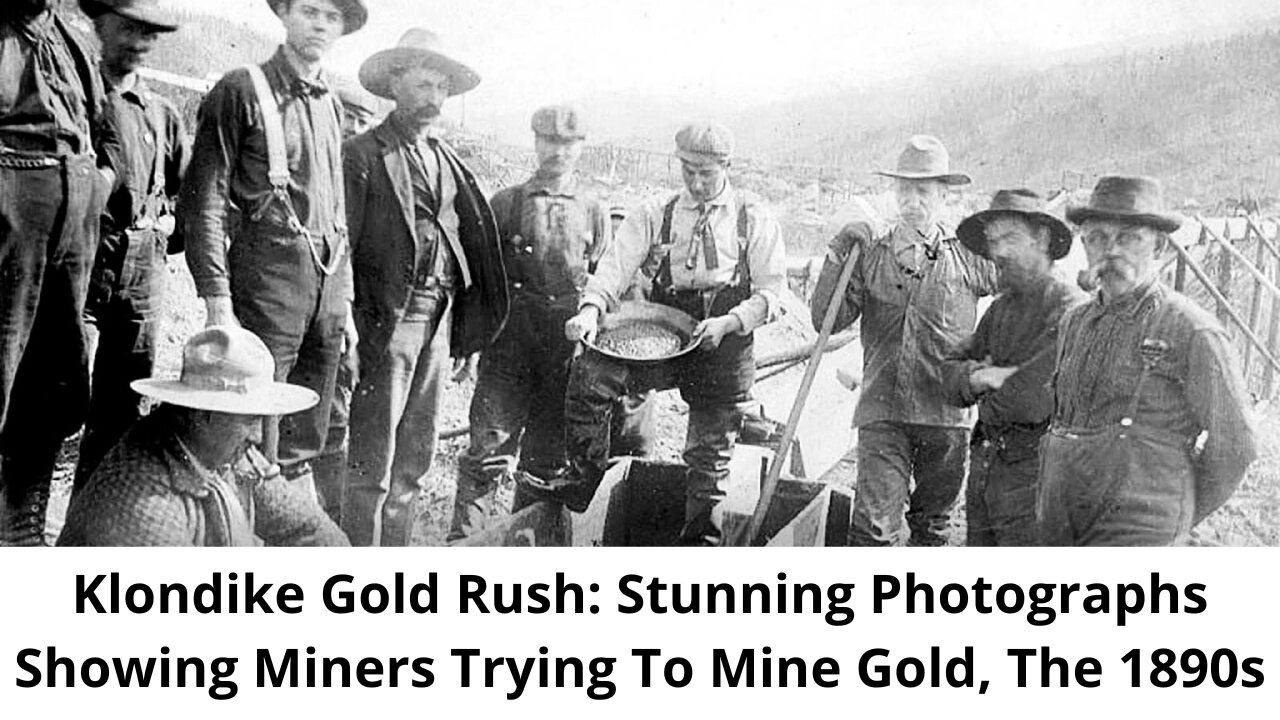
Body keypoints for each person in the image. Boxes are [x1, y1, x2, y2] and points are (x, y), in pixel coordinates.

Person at [541, 121, 788, 546]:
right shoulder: (657, 211)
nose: (695, 180)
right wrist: (589, 311)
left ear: (726, 166)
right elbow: (614, 267)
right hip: (668, 333)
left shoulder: (754, 218)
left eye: (705, 172)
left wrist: (730, 322)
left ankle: (699, 548)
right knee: (591, 375)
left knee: (708, 458)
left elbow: (773, 293)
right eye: (687, 169)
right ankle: (584, 477)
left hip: (724, 338)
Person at [178, 0, 366, 506]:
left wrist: (342, 301)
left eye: (332, 17)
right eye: (310, 11)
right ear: (284, 15)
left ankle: (286, 535)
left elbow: (338, 211)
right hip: (267, 279)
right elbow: (205, 198)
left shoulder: (332, 101)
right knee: (255, 427)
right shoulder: (241, 89)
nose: (321, 25)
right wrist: (219, 300)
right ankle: (240, 543)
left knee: (309, 424)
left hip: (326, 285)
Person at [342, 28, 508, 546]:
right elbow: (341, 247)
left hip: (438, 321)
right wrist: (346, 322)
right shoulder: (362, 156)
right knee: (372, 459)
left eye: (441, 88)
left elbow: (461, 247)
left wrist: (462, 333)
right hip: (385, 320)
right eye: (423, 85)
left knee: (416, 456)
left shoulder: (447, 163)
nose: (434, 99)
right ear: (395, 82)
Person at [1040, 175, 1257, 546]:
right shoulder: (1075, 322)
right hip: (1065, 520)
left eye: (1128, 238)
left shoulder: (1191, 330)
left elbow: (1236, 445)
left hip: (1141, 528)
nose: (1111, 252)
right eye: (1097, 238)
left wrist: (1173, 511)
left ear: (1158, 246)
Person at [810, 135, 998, 546]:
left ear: (943, 195)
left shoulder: (969, 256)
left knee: (932, 528)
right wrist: (837, 255)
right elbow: (826, 319)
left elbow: (1021, 291)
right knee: (872, 529)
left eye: (923, 191)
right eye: (905, 190)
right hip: (883, 411)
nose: (913, 200)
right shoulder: (870, 254)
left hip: (946, 418)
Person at [450, 105, 611, 540]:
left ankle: (526, 558)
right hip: (509, 348)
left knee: (543, 466)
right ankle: (463, 551)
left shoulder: (594, 210)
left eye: (566, 143)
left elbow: (604, 282)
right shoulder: (506, 203)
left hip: (563, 353)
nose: (556, 151)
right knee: (486, 454)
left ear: (580, 148)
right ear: (535, 142)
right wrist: (471, 342)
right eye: (548, 141)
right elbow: (480, 280)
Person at [0, 0, 120, 545]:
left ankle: (23, 519)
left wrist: (95, 185)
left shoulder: (73, 41)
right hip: (9, 228)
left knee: (55, 375)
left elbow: (101, 128)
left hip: (70, 231)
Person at [58, 326, 349, 546]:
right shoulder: (142, 499)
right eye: (249, 421)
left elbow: (312, 530)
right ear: (199, 414)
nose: (259, 437)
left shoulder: (223, 456)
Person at [74, 0, 188, 489]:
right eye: (127, 29)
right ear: (100, 24)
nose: (138, 43)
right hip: (80, 259)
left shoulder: (162, 113)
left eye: (149, 33)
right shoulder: (76, 96)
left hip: (142, 269)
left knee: (122, 401)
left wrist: (165, 232)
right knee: (58, 389)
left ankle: (92, 520)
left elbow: (187, 188)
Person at [941, 189, 1086, 545]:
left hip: (1035, 483)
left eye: (1010, 238)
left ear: (1042, 240)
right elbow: (946, 374)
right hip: (987, 475)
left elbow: (1029, 399)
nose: (997, 252)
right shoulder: (1000, 309)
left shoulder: (1069, 310)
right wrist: (981, 377)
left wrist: (981, 381)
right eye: (992, 240)